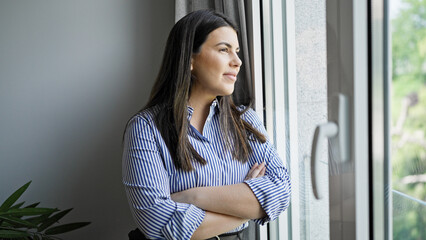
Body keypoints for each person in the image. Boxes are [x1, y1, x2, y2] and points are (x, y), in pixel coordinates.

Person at [122, 9, 291, 240]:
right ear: (190, 59)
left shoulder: (246, 122)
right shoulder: (146, 128)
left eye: (237, 52)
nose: (238, 61)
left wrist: (194, 197)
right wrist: (244, 209)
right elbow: (157, 222)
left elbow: (281, 192)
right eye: (224, 50)